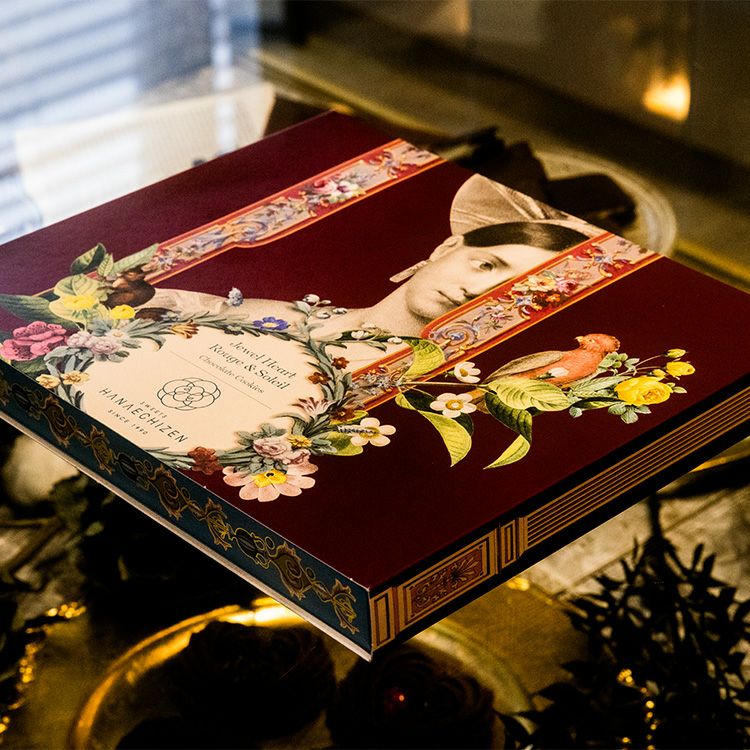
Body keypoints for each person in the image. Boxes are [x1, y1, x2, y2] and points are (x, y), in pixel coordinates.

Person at [146, 220, 589, 339]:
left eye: (508, 290)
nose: (474, 291)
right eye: (486, 266)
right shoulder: (263, 313)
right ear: (447, 248)